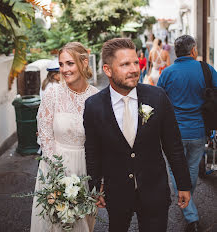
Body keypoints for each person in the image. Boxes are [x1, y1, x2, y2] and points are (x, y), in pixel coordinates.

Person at [83, 38, 191, 232]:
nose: (134, 69)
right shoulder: (93, 106)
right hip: (116, 193)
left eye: (135, 62)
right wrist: (94, 185)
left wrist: (183, 184)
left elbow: (173, 144)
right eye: (125, 64)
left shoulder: (157, 97)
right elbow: (92, 151)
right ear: (107, 70)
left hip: (154, 191)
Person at [30, 42, 98, 232]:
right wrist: (57, 177)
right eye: (61, 64)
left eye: (70, 63)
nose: (65, 70)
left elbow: (101, 142)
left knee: (82, 223)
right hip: (54, 167)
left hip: (85, 170)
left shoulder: (97, 97)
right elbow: (44, 135)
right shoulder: (53, 93)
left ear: (84, 62)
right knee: (54, 223)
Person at [157, 35, 217, 232]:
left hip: (173, 133)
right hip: (199, 130)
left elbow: (159, 100)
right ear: (193, 51)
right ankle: (191, 212)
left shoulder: (167, 73)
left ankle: (189, 209)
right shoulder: (207, 69)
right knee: (190, 169)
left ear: (176, 51)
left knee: (176, 170)